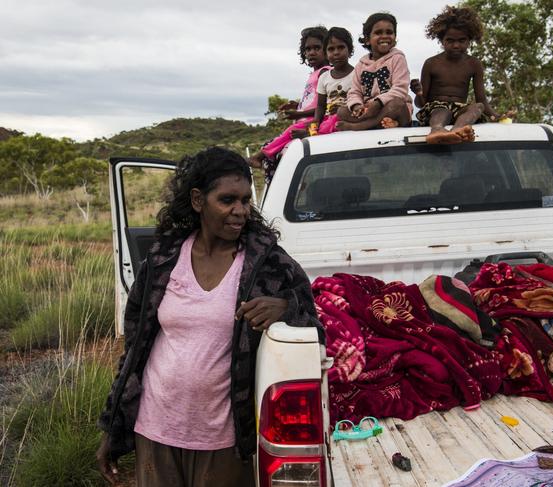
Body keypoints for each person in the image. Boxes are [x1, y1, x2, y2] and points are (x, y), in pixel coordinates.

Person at [96, 147, 323, 487]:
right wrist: (114, 430)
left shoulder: (268, 264)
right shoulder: (164, 259)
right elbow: (135, 348)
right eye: (227, 199)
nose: (240, 211)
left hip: (224, 439)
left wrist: (286, 306)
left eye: (246, 200)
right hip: (155, 428)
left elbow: (317, 330)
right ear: (198, 200)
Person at [410, 6, 505, 144]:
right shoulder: (431, 63)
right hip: (434, 112)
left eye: (462, 40)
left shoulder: (474, 64)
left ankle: (457, 130)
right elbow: (421, 104)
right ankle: (436, 131)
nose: (456, 45)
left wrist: (497, 116)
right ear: (441, 40)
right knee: (443, 110)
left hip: (460, 111)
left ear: (469, 40)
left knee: (478, 107)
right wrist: (418, 93)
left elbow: (482, 100)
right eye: (450, 41)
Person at [248, 26, 330, 171]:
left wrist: (299, 114)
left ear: (327, 48)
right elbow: (315, 101)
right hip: (306, 121)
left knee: (288, 133)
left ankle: (259, 157)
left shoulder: (326, 73)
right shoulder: (315, 74)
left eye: (317, 48)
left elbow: (325, 106)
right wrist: (298, 105)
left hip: (315, 122)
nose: (311, 52)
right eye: (308, 49)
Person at [336, 12, 413, 131]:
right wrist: (357, 106)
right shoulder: (361, 65)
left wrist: (378, 103)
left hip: (392, 109)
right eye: (378, 33)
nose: (385, 36)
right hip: (369, 111)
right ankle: (379, 123)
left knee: (397, 104)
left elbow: (400, 89)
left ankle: (361, 126)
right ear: (367, 40)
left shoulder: (398, 58)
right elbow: (354, 92)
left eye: (389, 32)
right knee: (342, 111)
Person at [311, 27, 355, 135]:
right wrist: (315, 123)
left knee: (333, 123)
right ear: (325, 54)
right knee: (293, 129)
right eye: (331, 49)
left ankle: (312, 134)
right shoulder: (324, 77)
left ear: (350, 51)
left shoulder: (357, 74)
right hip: (326, 119)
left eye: (341, 47)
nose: (336, 53)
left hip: (347, 118)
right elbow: (321, 106)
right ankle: (267, 151)